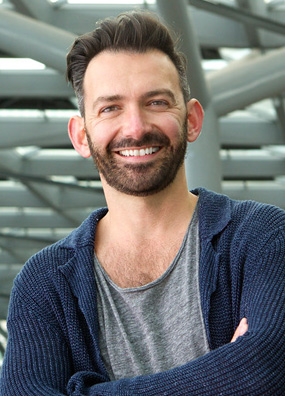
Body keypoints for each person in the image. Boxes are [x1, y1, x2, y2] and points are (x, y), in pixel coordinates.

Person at [0, 10, 284, 396]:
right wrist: (225, 376)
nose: (135, 127)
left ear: (193, 120)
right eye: (110, 108)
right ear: (81, 135)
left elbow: (268, 369)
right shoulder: (45, 283)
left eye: (156, 102)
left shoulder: (261, 238)